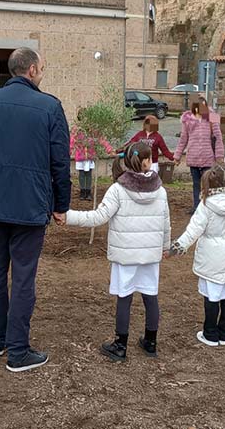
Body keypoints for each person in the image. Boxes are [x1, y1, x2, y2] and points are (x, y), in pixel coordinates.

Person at [0, 47, 71, 373]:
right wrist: (61, 205)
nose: (42, 73)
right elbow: (60, 161)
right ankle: (18, 350)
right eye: (42, 68)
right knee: (23, 278)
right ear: (32, 70)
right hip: (29, 206)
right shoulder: (50, 106)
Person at [64, 142, 169, 361]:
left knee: (124, 298)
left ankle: (120, 345)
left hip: (125, 255)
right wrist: (165, 247)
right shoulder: (160, 191)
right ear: (148, 161)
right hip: (150, 255)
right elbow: (165, 223)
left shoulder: (118, 189)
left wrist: (68, 216)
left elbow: (97, 217)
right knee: (151, 296)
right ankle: (151, 342)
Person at [169, 163, 225, 347]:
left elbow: (193, 230)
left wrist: (177, 247)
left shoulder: (206, 204)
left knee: (212, 296)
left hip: (210, 257)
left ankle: (210, 334)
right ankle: (224, 334)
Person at [174, 101, 224, 214]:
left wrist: (219, 155)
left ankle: (208, 207)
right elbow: (183, 139)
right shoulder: (187, 120)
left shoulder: (213, 117)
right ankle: (197, 207)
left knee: (208, 184)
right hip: (193, 157)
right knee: (196, 184)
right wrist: (177, 156)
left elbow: (218, 137)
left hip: (208, 157)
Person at [71, 111, 115, 201]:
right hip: (81, 156)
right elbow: (72, 141)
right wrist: (68, 151)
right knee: (81, 174)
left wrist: (109, 149)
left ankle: (88, 191)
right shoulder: (77, 130)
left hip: (90, 156)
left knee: (89, 174)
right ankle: (82, 191)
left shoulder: (92, 129)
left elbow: (101, 140)